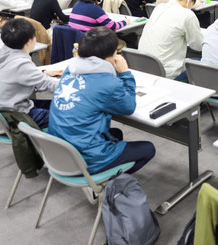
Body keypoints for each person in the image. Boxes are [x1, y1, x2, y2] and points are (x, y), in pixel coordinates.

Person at [49, 27, 156, 175]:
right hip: (85, 158)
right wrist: (125, 73)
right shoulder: (107, 83)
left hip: (58, 151)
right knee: (148, 148)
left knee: (116, 133)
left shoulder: (71, 68)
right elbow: (129, 106)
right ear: (109, 56)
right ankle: (108, 181)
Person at [0, 18, 60, 129]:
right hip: (16, 116)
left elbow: (18, 73)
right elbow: (49, 85)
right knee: (67, 114)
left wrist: (42, 73)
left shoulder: (0, 54)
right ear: (29, 41)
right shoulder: (21, 64)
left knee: (56, 103)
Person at [138, 0, 203, 80]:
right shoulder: (187, 14)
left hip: (144, 66)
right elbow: (197, 46)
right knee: (204, 63)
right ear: (189, 0)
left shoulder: (159, 7)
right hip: (166, 72)